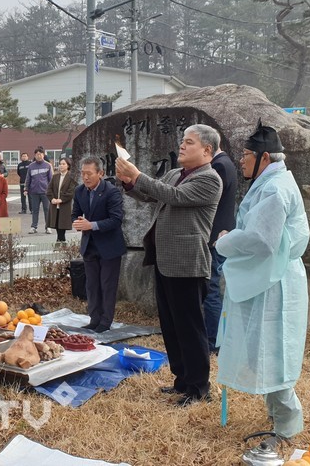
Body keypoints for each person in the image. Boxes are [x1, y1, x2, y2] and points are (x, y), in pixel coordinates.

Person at [214, 120, 310, 443]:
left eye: (245, 155)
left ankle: (286, 425)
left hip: (275, 282)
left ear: (264, 158)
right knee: (268, 351)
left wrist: (226, 241)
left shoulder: (274, 188)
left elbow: (260, 239)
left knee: (274, 353)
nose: (241, 160)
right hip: (273, 277)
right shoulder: (275, 181)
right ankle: (280, 417)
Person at [115, 124, 222, 407]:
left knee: (190, 327)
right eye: (182, 141)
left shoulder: (210, 179)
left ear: (207, 150)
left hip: (188, 263)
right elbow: (152, 194)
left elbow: (173, 196)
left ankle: (199, 388)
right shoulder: (176, 174)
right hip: (166, 260)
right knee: (172, 325)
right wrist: (129, 181)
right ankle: (181, 380)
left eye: (189, 142)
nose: (182, 146)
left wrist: (138, 175)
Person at [71, 156, 125, 333]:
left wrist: (91, 225)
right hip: (90, 244)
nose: (85, 177)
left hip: (109, 245)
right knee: (92, 285)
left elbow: (116, 219)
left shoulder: (111, 192)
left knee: (107, 285)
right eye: (83, 173)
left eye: (89, 174)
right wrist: (78, 222)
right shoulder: (80, 191)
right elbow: (75, 213)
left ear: (100, 173)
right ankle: (94, 318)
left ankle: (105, 321)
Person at [203, 142, 238, 354]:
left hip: (216, 235)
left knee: (211, 289)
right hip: (218, 234)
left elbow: (214, 203)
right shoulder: (225, 163)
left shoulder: (220, 166)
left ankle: (213, 340)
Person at [47, 157, 77, 243]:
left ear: (68, 165)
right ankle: (60, 240)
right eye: (60, 164)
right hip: (54, 203)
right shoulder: (55, 176)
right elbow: (49, 189)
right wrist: (52, 198)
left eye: (64, 164)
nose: (61, 166)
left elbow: (71, 191)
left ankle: (61, 240)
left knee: (62, 222)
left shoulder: (71, 177)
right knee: (56, 221)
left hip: (65, 204)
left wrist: (61, 199)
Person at [25, 146, 53, 234]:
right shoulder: (31, 166)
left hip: (45, 192)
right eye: (37, 154)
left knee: (47, 209)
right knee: (35, 210)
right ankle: (34, 227)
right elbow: (28, 179)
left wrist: (52, 191)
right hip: (34, 192)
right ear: (35, 155)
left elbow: (51, 179)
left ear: (43, 155)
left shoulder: (48, 165)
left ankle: (48, 227)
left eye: (40, 154)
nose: (39, 156)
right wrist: (26, 189)